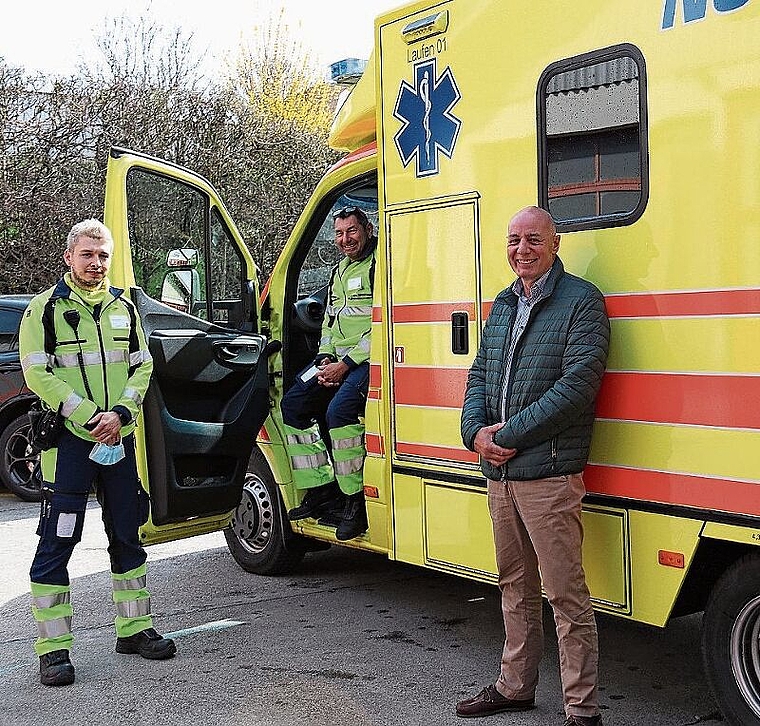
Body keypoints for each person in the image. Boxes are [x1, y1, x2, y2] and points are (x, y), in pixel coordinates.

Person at [457, 206, 610, 725]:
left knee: (566, 596)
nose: (521, 249)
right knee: (514, 587)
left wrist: (509, 436)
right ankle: (515, 685)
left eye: (533, 240)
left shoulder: (581, 301)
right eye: (513, 239)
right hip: (500, 474)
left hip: (547, 473)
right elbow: (480, 373)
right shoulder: (503, 303)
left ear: (556, 244)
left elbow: (578, 386)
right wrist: (475, 432)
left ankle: (582, 710)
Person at [19, 219, 176, 687]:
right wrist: (89, 415)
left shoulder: (125, 307)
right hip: (70, 443)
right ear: (69, 257)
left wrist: (122, 415)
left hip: (117, 439)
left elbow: (142, 365)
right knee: (58, 542)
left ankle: (134, 630)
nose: (96, 263)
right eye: (87, 254)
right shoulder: (43, 310)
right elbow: (37, 374)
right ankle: (53, 651)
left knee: (127, 533)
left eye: (103, 255)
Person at [280, 206, 377, 541]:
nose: (345, 239)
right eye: (339, 233)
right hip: (335, 359)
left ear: (367, 228)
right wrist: (323, 357)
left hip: (367, 361)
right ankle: (321, 490)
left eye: (351, 231)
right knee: (293, 404)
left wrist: (345, 365)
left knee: (340, 413)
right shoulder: (338, 271)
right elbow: (331, 322)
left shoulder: (379, 265)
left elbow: (382, 326)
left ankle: (355, 502)